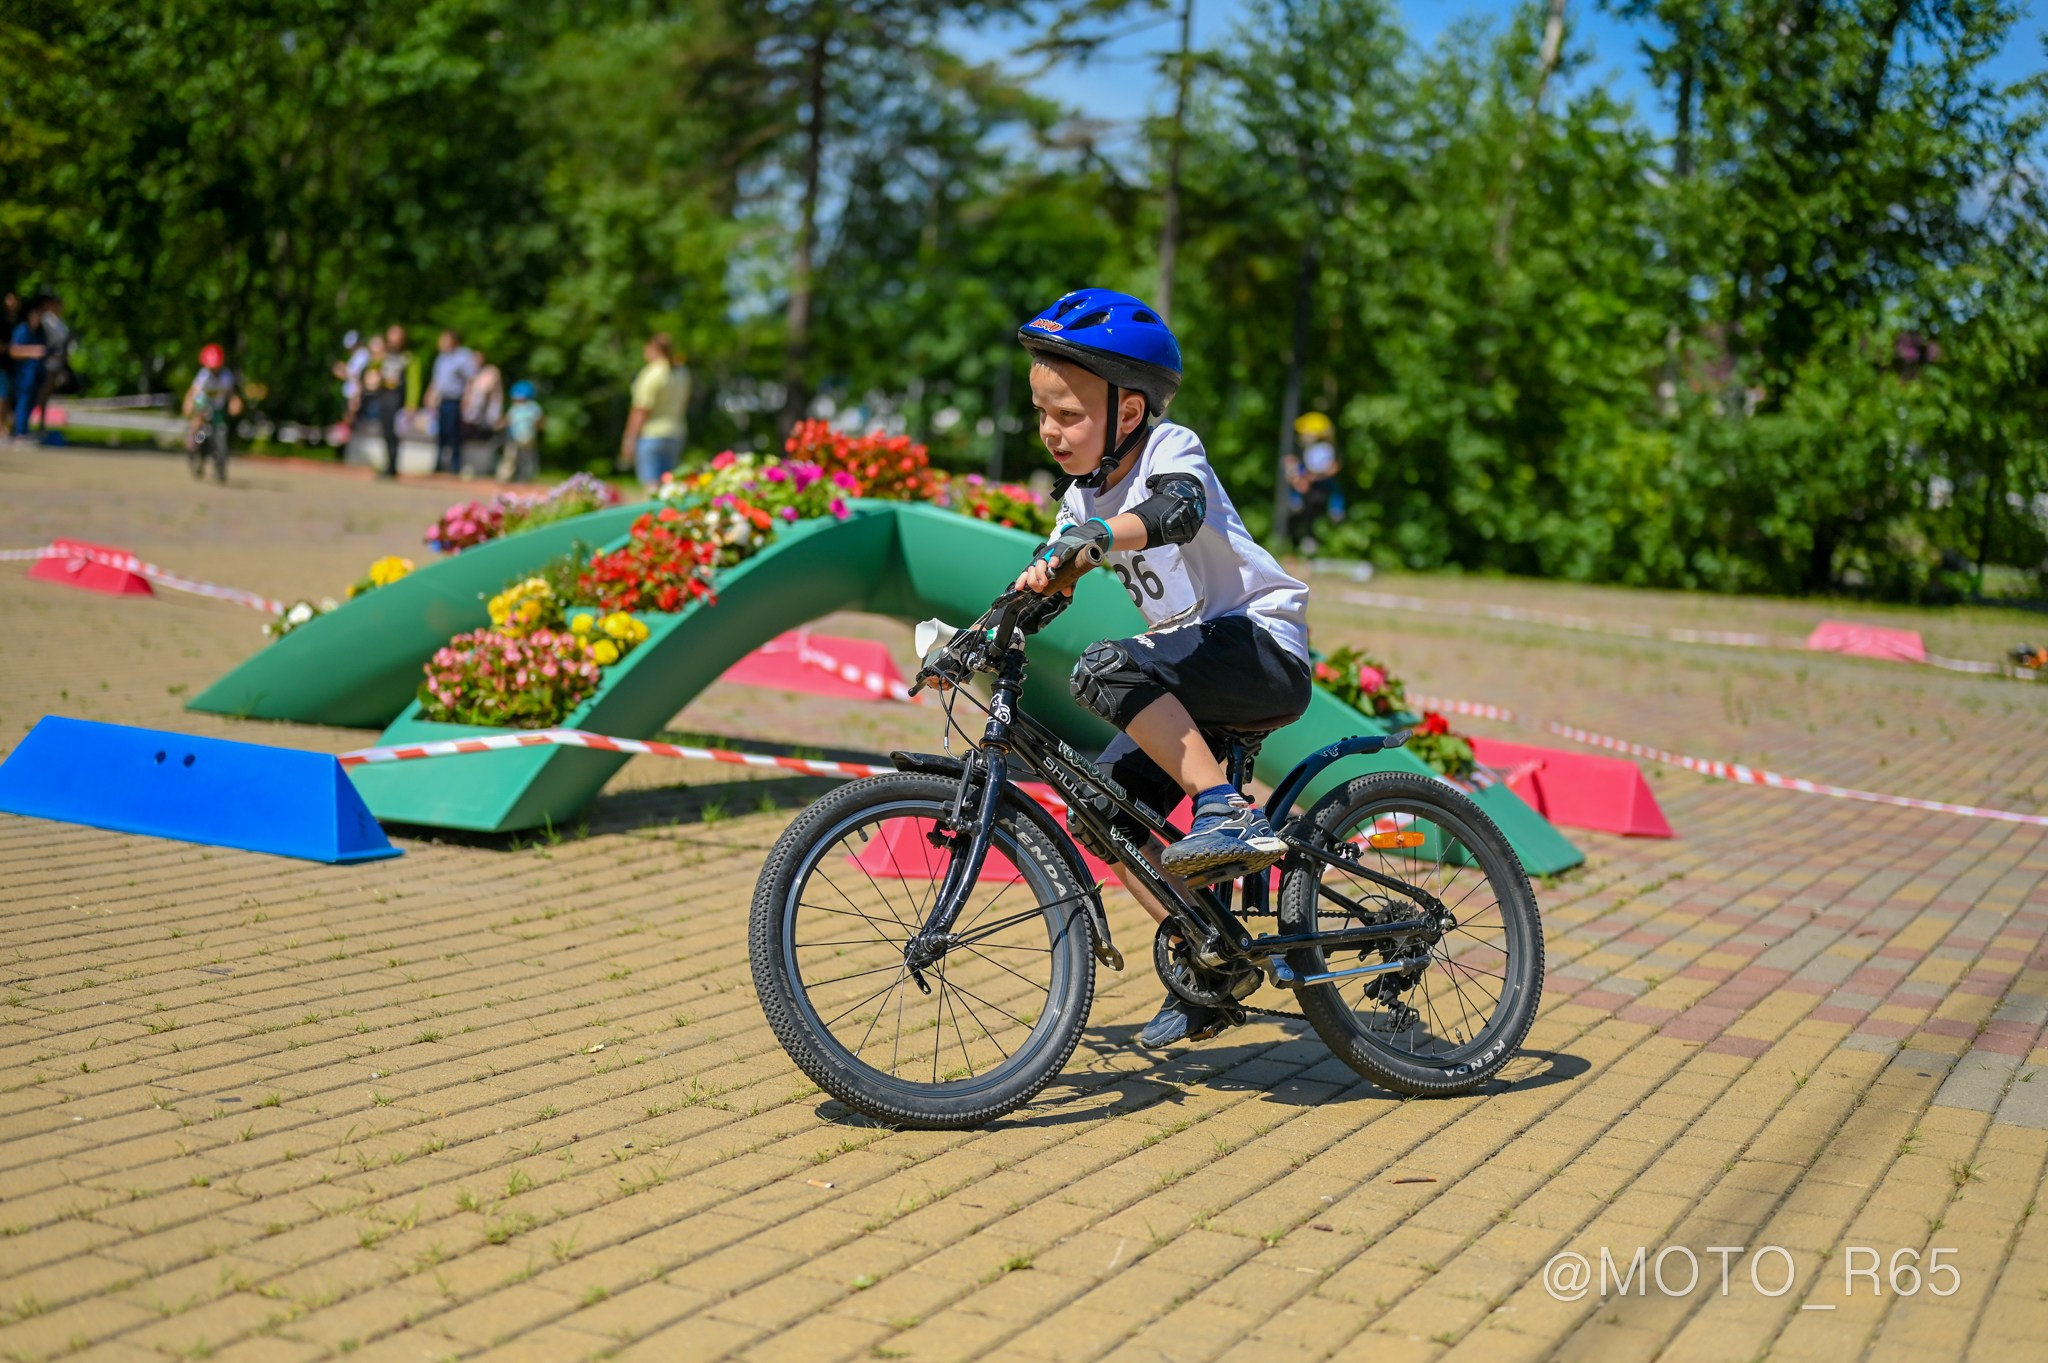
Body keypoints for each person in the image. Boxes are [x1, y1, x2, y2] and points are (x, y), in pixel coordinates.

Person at [1011, 287, 1312, 1047]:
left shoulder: (1171, 450)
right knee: (1101, 809)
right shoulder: (1081, 496)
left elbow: (1176, 512)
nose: (1050, 430)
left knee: (1105, 669)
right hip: (1196, 678)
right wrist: (989, 627)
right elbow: (1048, 582)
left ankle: (1226, 808)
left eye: (1069, 414)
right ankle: (1207, 955)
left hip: (1259, 647)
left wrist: (1092, 542)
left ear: (1130, 412)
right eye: (1042, 412)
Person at [620, 333, 691, 492]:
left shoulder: (652, 373)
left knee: (651, 488)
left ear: (653, 348)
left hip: (651, 434)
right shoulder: (681, 372)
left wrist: (629, 439)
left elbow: (641, 410)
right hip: (675, 432)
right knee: (670, 487)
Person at [182, 343, 243, 476]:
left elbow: (231, 394)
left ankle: (220, 460)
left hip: (218, 406)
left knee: (220, 429)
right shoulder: (203, 375)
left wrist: (235, 403)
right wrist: (188, 403)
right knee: (200, 426)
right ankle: (194, 444)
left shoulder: (226, 375)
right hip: (203, 404)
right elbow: (192, 392)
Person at [424, 329, 476, 475]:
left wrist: (467, 398)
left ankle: (455, 465)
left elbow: (470, 379)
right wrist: (430, 394)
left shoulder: (462, 357)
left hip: (455, 400)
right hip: (442, 399)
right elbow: (437, 380)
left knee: (454, 433)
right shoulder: (441, 358)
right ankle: (439, 463)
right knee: (441, 432)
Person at [1290, 411, 1343, 552]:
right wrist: (1302, 478)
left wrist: (1320, 475)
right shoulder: (1304, 450)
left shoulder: (1328, 448)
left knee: (1335, 492)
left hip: (1322, 482)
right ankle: (1296, 503)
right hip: (1309, 483)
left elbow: (1334, 466)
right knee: (1302, 499)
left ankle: (1336, 511)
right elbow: (1298, 468)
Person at [363, 333, 408, 477]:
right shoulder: (384, 357)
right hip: (384, 395)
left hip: (396, 397)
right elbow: (372, 370)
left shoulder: (406, 358)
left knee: (392, 432)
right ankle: (388, 463)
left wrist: (410, 403)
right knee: (385, 431)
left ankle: (393, 466)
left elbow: (411, 382)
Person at [9, 296, 50, 439]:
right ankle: (20, 431)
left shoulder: (40, 332)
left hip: (37, 373)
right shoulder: (22, 330)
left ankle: (23, 428)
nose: (38, 318)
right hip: (24, 374)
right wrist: (33, 351)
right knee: (23, 401)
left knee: (33, 401)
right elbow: (13, 351)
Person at [460, 346, 504, 478]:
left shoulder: (490, 373)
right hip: (470, 416)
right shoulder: (469, 374)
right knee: (468, 441)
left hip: (486, 416)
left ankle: (485, 468)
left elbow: (489, 392)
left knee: (485, 441)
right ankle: (469, 466)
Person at [499, 381, 544, 483]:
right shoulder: (530, 407)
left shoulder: (530, 407)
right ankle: (507, 476)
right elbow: (508, 420)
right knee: (514, 457)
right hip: (518, 437)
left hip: (524, 438)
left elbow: (539, 421)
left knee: (519, 457)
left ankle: (524, 476)